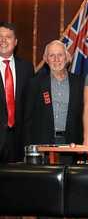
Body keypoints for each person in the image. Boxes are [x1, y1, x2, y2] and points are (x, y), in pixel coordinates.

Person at [24, 40, 84, 150]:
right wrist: (29, 148)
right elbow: (28, 119)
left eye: (60, 55)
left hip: (72, 145)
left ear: (66, 57)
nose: (56, 59)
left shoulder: (80, 83)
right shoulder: (35, 83)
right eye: (52, 55)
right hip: (43, 145)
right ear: (46, 59)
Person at [0, 22, 34, 163]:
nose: (3, 40)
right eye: (0, 37)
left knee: (18, 183)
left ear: (15, 42)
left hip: (19, 141)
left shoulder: (27, 68)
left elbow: (30, 105)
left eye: (7, 37)